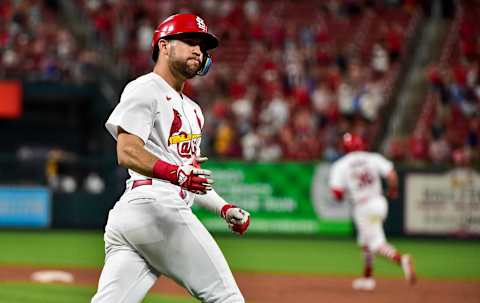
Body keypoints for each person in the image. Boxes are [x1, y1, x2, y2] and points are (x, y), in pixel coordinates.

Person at [91, 13, 250, 303]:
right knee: (227, 298)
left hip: (136, 218)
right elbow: (126, 150)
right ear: (164, 46)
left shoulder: (194, 110)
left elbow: (190, 177)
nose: (198, 51)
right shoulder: (145, 88)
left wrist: (224, 207)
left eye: (202, 47)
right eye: (189, 41)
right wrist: (177, 174)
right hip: (155, 208)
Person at [328, 133, 416, 291]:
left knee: (376, 244)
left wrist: (346, 192)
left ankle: (402, 259)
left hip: (363, 207)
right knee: (365, 243)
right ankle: (367, 279)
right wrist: (393, 191)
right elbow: (392, 174)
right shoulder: (373, 157)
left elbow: (337, 193)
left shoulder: (340, 165)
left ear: (345, 147)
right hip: (379, 202)